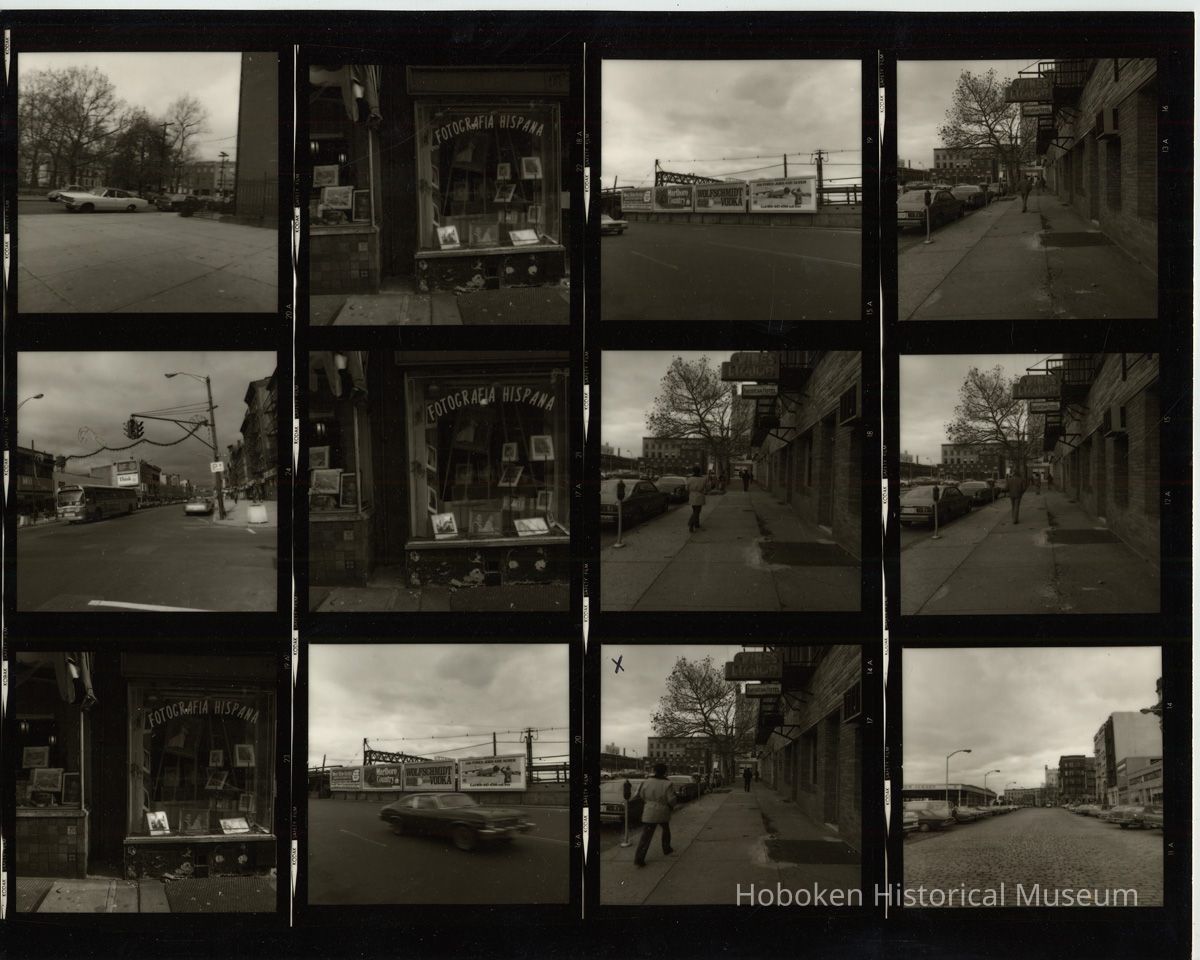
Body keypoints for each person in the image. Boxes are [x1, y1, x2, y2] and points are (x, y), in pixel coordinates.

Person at [633, 763, 677, 867]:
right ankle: (666, 849)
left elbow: (641, 795)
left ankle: (639, 858)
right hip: (662, 810)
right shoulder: (667, 783)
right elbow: (671, 799)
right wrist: (671, 806)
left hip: (649, 810)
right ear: (665, 771)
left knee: (646, 836)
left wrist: (649, 802)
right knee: (666, 829)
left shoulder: (646, 781)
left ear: (654, 770)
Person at [686, 465, 709, 533]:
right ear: (699, 471)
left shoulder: (689, 479)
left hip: (692, 495)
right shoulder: (703, 479)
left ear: (693, 471)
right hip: (700, 495)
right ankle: (691, 523)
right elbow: (707, 488)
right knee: (697, 511)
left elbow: (687, 488)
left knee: (694, 510)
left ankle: (696, 524)